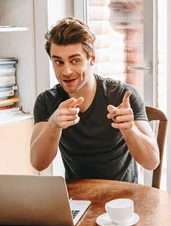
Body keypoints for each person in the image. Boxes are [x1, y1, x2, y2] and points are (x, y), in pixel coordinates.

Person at [30, 18, 160, 183]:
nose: (66, 71)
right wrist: (53, 124)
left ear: (91, 59)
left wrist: (129, 130)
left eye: (75, 60)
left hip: (123, 198)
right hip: (77, 199)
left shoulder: (122, 95)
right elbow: (38, 164)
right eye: (58, 62)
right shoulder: (47, 101)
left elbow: (152, 162)